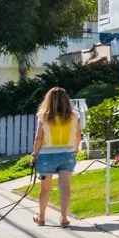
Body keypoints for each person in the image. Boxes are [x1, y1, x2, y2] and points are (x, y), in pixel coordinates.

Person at [31, 87, 78, 228]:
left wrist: (34, 154)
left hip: (46, 156)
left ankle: (41, 216)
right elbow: (77, 134)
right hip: (67, 154)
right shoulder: (73, 115)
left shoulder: (43, 116)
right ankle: (64, 217)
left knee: (45, 188)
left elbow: (38, 137)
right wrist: (75, 149)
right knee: (65, 187)